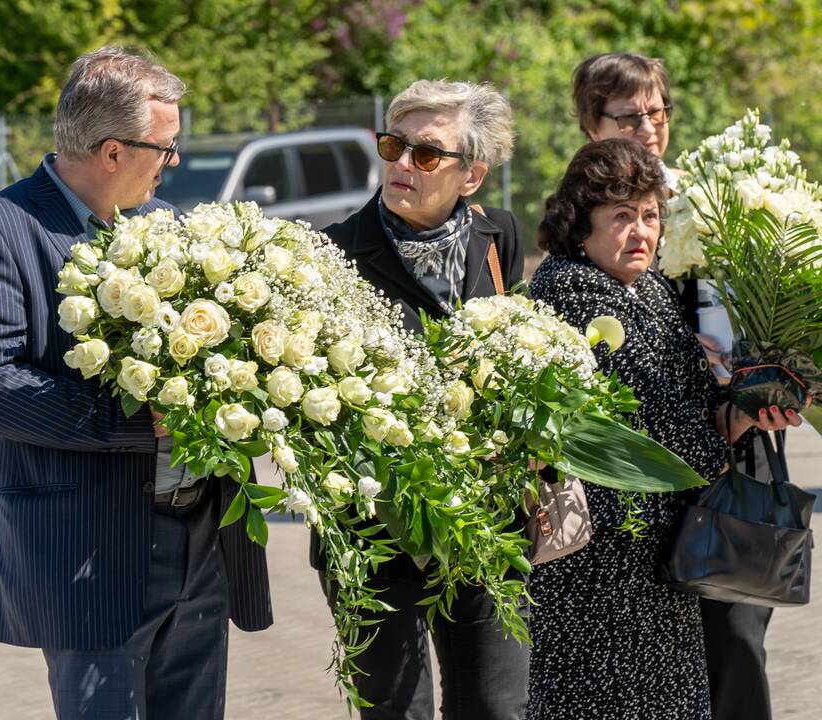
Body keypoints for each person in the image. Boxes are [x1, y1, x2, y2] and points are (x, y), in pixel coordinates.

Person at [0, 46, 272, 720]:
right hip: (91, 553)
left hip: (200, 536)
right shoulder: (0, 231)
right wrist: (138, 424)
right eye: (166, 147)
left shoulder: (165, 224)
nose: (173, 162)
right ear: (113, 151)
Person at [525, 138, 803, 720]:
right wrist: (730, 423)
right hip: (602, 568)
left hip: (656, 561)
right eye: (621, 216)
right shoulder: (575, 297)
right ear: (580, 224)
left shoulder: (643, 289)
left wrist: (750, 406)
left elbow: (688, 413)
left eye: (650, 215)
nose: (641, 232)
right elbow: (658, 442)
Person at [572, 51, 783, 720]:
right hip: (638, 473)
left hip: (732, 459)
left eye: (658, 112)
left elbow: (760, 308)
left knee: (736, 643)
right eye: (630, 114)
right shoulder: (581, 217)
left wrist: (773, 379)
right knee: (655, 667)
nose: (649, 127)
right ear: (589, 123)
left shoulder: (715, 197)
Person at [313, 79, 527, 720]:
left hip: (483, 525)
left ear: (472, 175)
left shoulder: (500, 238)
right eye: (393, 145)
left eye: (426, 154)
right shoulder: (333, 253)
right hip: (375, 534)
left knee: (496, 707)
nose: (402, 164)